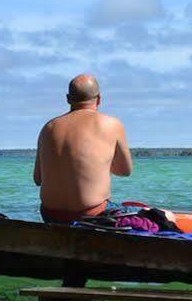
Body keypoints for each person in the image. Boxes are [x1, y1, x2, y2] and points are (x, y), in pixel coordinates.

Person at [33, 74, 133, 223]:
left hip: (50, 214)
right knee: (141, 212)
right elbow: (125, 171)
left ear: (68, 99)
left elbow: (38, 179)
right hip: (92, 214)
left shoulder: (48, 127)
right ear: (99, 99)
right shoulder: (111, 124)